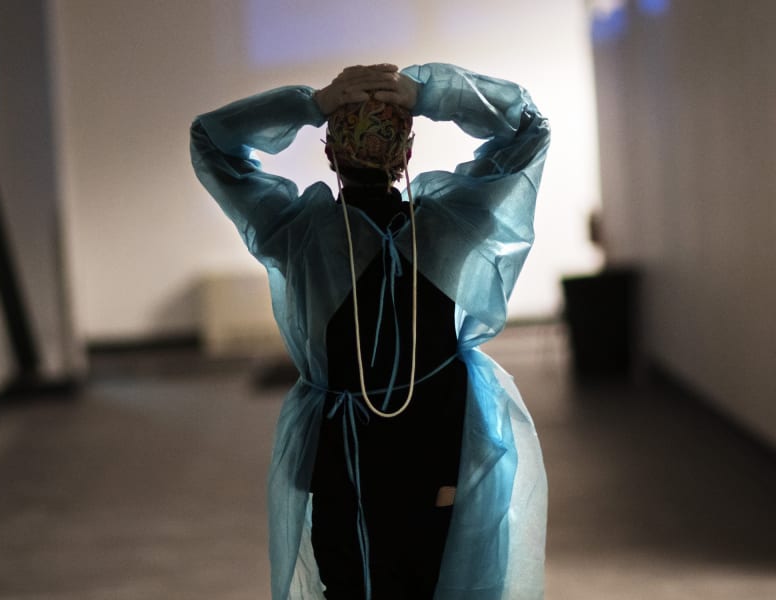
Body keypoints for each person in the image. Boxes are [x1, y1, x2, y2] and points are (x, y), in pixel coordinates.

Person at [190, 62, 550, 600]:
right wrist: (430, 93)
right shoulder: (448, 227)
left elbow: (211, 142)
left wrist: (312, 104)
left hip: (344, 467)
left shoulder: (298, 235)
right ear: (407, 154)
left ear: (330, 155)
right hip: (437, 456)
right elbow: (529, 129)